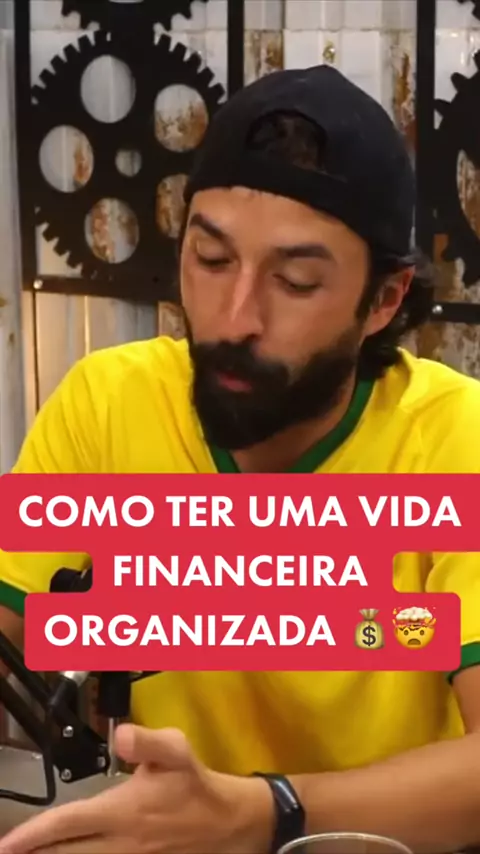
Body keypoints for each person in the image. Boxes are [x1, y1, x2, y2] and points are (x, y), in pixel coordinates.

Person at [0, 63, 480, 854]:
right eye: (211, 259)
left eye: (295, 281)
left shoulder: (454, 439)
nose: (233, 318)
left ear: (384, 301)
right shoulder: (109, 400)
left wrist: (263, 813)